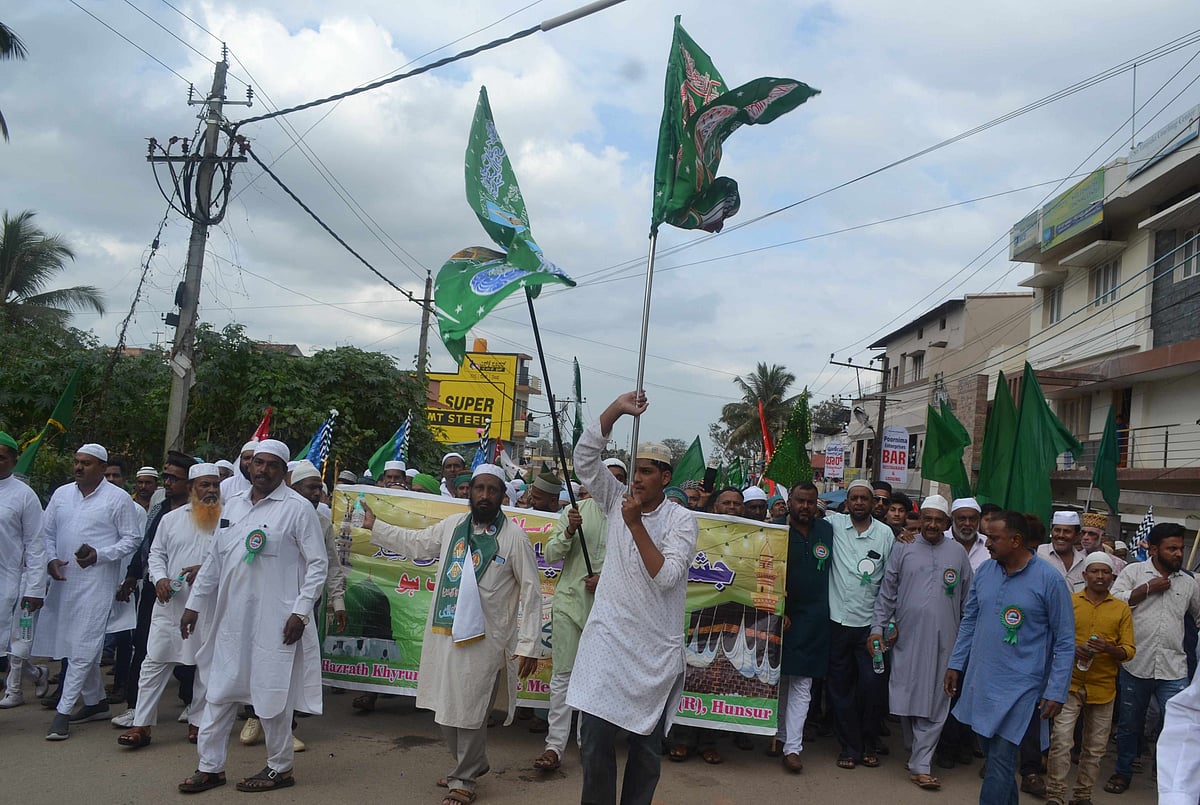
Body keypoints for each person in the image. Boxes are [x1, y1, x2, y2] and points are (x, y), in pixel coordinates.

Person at [365, 464, 542, 805]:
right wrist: (377, 526)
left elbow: (532, 591)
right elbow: (417, 544)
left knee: (471, 709)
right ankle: (473, 763)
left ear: (503, 496)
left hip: (486, 640)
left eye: (492, 490)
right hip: (445, 634)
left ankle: (464, 777)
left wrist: (529, 645)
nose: (485, 495)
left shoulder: (514, 537)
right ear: (470, 492)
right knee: (444, 707)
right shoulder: (453, 527)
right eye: (480, 489)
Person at [568, 392, 699, 805]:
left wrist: (636, 525)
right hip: (608, 642)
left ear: (665, 476)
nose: (637, 479)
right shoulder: (614, 498)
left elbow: (667, 577)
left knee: (645, 753)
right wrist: (616, 410)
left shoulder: (682, 519)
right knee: (594, 739)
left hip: (654, 652)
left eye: (646, 472)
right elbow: (585, 459)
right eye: (635, 471)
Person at [177, 439, 327, 793]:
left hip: (277, 622)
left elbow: (318, 566)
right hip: (231, 621)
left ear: (284, 471)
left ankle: (280, 768)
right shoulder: (234, 506)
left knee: (272, 696)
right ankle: (210, 767)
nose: (262, 470)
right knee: (219, 691)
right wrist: (193, 605)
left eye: (272, 465)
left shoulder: (297, 509)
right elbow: (214, 561)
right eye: (258, 463)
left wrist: (300, 613)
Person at [945, 510, 1074, 805]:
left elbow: (1065, 641)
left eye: (993, 538)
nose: (987, 543)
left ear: (1016, 540)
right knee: (994, 757)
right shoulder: (986, 571)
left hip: (1021, 688)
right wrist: (956, 663)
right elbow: (970, 620)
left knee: (1000, 760)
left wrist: (1056, 689)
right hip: (982, 679)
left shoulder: (1049, 580)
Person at [35, 444, 143, 740]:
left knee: (84, 643)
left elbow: (132, 539)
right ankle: (96, 703)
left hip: (97, 582)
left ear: (101, 466)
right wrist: (50, 559)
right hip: (64, 579)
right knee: (71, 642)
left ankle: (64, 711)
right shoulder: (61, 494)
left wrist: (101, 554)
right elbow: (46, 533)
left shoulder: (117, 498)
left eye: (86, 463)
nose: (79, 467)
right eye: (76, 462)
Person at [116, 462, 221, 749]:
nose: (212, 490)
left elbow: (235, 558)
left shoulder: (228, 521)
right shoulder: (171, 519)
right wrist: (159, 579)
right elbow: (155, 554)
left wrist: (209, 567)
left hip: (209, 607)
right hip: (170, 604)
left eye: (215, 485)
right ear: (191, 489)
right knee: (154, 662)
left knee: (204, 666)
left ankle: (198, 722)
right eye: (205, 485)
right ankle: (142, 725)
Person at [870, 495, 971, 791]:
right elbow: (887, 592)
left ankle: (921, 764)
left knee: (938, 697)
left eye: (939, 520)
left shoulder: (958, 553)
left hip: (946, 639)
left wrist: (967, 640)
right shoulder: (904, 546)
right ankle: (916, 751)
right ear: (920, 518)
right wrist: (878, 628)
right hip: (906, 636)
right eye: (927, 518)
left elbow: (968, 599)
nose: (932, 525)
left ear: (947, 524)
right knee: (907, 695)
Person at [532, 460, 622, 773]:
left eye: (619, 479)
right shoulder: (576, 509)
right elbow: (552, 553)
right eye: (607, 477)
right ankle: (554, 746)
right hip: (570, 605)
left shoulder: (630, 518)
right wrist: (570, 529)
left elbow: (638, 568)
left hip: (607, 610)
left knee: (594, 682)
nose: (612, 483)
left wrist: (606, 581)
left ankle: (587, 744)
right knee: (563, 677)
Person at [1105, 522, 1200, 795]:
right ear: (1155, 549)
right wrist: (1147, 589)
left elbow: (1197, 616)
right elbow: (1113, 602)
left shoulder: (1189, 582)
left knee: (1176, 726)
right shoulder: (1134, 572)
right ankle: (1123, 772)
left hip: (1174, 667)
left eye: (1181, 548)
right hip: (1136, 663)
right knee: (1129, 724)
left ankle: (1170, 779)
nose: (1178, 554)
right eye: (1172, 549)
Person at [111, 451, 196, 729]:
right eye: (166, 476)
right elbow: (148, 549)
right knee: (146, 646)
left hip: (192, 592)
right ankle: (137, 708)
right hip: (156, 590)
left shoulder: (205, 514)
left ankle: (191, 701)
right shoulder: (160, 510)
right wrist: (133, 576)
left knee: (189, 648)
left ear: (189, 482)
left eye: (174, 478)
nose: (168, 482)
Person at [1045, 552, 1135, 805]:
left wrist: (1109, 648)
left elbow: (1129, 651)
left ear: (1112, 576)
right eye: (1094, 571)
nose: (1099, 576)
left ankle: (1082, 796)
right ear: (1084, 575)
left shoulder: (1121, 609)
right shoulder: (1070, 602)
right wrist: (1074, 648)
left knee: (1095, 749)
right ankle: (1055, 795)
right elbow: (1053, 639)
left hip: (1103, 687)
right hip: (1069, 683)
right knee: (1061, 742)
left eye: (1104, 572)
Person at [825, 479, 895, 769]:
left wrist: (888, 623)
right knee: (840, 690)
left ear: (872, 502)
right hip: (837, 624)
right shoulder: (833, 525)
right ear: (847, 502)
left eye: (864, 498)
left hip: (871, 627)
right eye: (853, 498)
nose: (858, 503)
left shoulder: (886, 534)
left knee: (872, 687)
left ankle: (868, 742)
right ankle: (850, 747)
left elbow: (892, 580)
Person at [774, 481, 832, 774]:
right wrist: (776, 608)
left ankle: (792, 748)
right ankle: (779, 735)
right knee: (780, 680)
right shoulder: (774, 530)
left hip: (815, 620)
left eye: (811, 502)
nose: (805, 507)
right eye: (800, 501)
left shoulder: (828, 531)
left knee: (803, 684)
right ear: (789, 501)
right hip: (781, 616)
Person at [0, 430, 47, 709]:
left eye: (2, 458)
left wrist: (35, 587)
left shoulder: (24, 496)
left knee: (18, 637)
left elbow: (36, 544)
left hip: (17, 578)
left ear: (14, 460)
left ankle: (14, 690)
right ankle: (37, 673)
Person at [1037, 511, 1087, 592]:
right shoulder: (1038, 554)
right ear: (1051, 531)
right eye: (1057, 530)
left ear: (1077, 536)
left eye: (1067, 531)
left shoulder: (1084, 562)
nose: (1061, 535)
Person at [947, 497, 989, 572]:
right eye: (962, 519)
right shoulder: (940, 541)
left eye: (972, 519)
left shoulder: (988, 544)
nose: (967, 523)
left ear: (978, 520)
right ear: (952, 519)